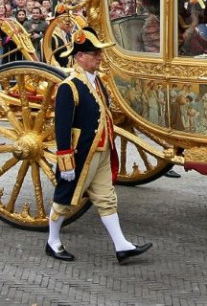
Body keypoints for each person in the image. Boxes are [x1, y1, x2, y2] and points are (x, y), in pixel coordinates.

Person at [46, 27, 152, 263]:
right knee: (65, 198)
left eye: (98, 53)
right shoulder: (69, 86)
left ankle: (121, 245)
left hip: (102, 149)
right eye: (94, 54)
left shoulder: (96, 82)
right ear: (80, 56)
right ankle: (52, 241)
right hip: (82, 152)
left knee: (106, 197)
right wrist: (66, 160)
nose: (99, 57)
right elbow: (62, 127)